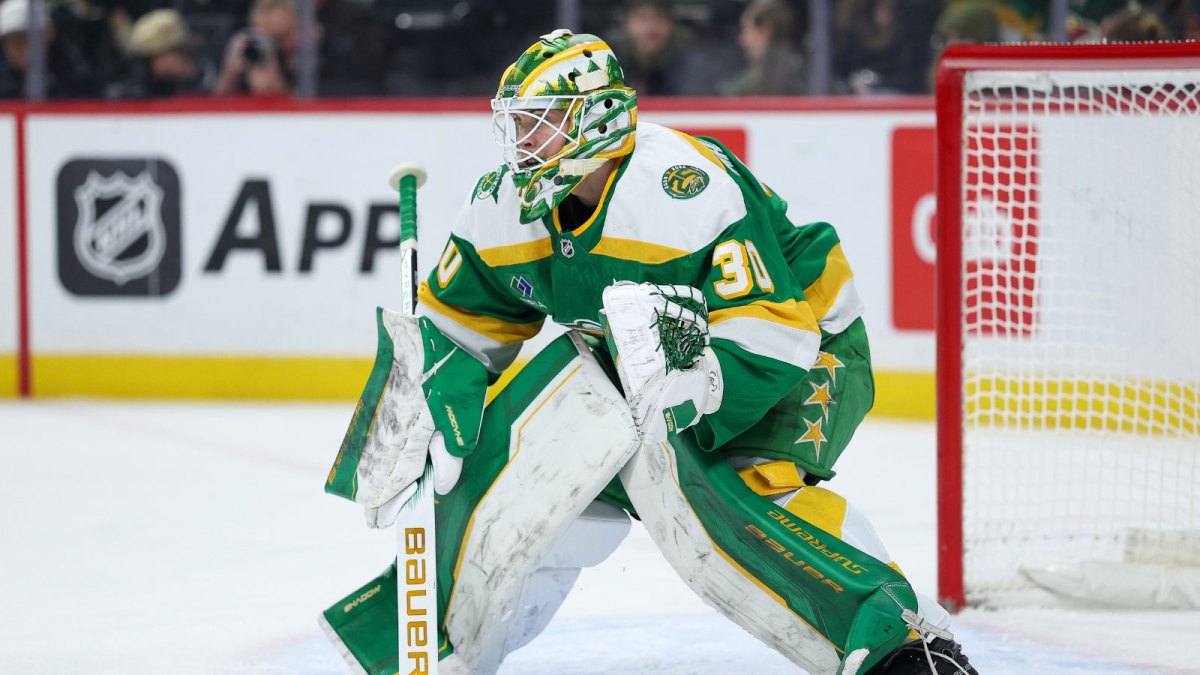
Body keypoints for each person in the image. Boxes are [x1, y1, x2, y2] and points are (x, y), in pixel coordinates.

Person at [320, 29, 977, 675]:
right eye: (516, 125)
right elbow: (457, 325)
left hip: (804, 347)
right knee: (528, 475)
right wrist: (429, 394)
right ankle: (443, 649)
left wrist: (706, 389)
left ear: (594, 123)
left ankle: (904, 642)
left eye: (540, 123)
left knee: (728, 492)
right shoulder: (507, 206)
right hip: (641, 360)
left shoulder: (681, 188)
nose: (521, 142)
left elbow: (777, 329)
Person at [213, 0, 305, 96]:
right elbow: (210, 106)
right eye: (263, 38)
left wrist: (277, 87)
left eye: (279, 39)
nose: (272, 48)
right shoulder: (241, 53)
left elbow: (308, 105)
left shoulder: (304, 60)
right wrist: (230, 77)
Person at [607, 0, 693, 96]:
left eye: (659, 18)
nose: (650, 27)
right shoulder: (608, 65)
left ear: (671, 24)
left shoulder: (689, 69)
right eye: (642, 18)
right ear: (627, 22)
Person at [120, 9, 212, 98]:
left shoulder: (212, 79)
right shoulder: (152, 90)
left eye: (151, 58)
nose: (149, 66)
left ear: (169, 53)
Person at [722, 0, 806, 96]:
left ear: (766, 31)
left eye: (747, 30)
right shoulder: (807, 74)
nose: (743, 40)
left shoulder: (799, 79)